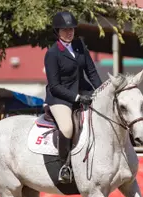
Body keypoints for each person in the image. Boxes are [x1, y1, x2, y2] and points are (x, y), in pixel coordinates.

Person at [44, 11, 103, 184]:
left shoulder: (79, 46)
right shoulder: (52, 54)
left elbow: (91, 73)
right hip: (60, 98)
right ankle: (65, 166)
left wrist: (101, 91)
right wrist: (76, 97)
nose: (69, 32)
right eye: (65, 29)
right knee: (68, 128)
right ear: (57, 31)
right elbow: (55, 86)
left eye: (72, 29)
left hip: (82, 92)